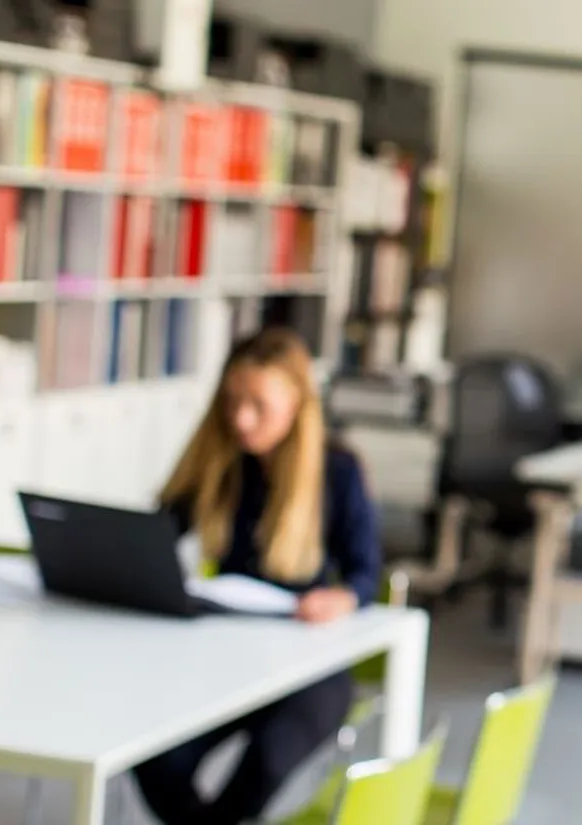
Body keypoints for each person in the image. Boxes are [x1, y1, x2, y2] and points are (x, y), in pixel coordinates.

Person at [131, 327, 382, 825]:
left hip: (308, 665)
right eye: (232, 402)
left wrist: (344, 598)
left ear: (296, 403)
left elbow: (365, 571)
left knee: (265, 763)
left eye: (258, 405)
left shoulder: (338, 471)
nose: (241, 420)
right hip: (226, 653)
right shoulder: (221, 460)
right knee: (156, 759)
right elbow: (157, 535)